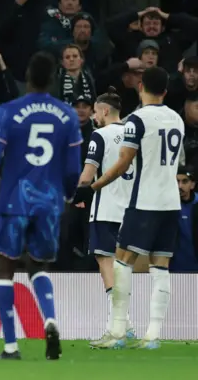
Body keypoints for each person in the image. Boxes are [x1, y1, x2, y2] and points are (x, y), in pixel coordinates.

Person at [0, 52, 83, 360]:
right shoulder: (68, 115)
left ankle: (11, 346)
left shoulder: (7, 111)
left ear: (28, 77)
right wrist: (66, 195)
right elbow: (73, 171)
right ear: (52, 79)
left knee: (5, 268)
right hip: (49, 202)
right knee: (39, 265)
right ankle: (49, 320)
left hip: (14, 200)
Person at [90, 67, 185, 350]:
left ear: (141, 86)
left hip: (143, 201)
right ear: (166, 91)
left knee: (121, 261)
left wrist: (95, 186)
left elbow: (122, 164)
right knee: (160, 266)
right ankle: (153, 336)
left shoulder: (137, 120)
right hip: (171, 202)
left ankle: (118, 332)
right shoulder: (177, 119)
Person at [77, 87, 136, 347]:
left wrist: (77, 194)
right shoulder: (135, 135)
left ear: (103, 111)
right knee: (121, 266)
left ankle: (118, 330)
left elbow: (88, 174)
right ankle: (126, 326)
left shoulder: (99, 135)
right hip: (131, 209)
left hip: (106, 208)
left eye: (95, 113)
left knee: (105, 262)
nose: (93, 118)